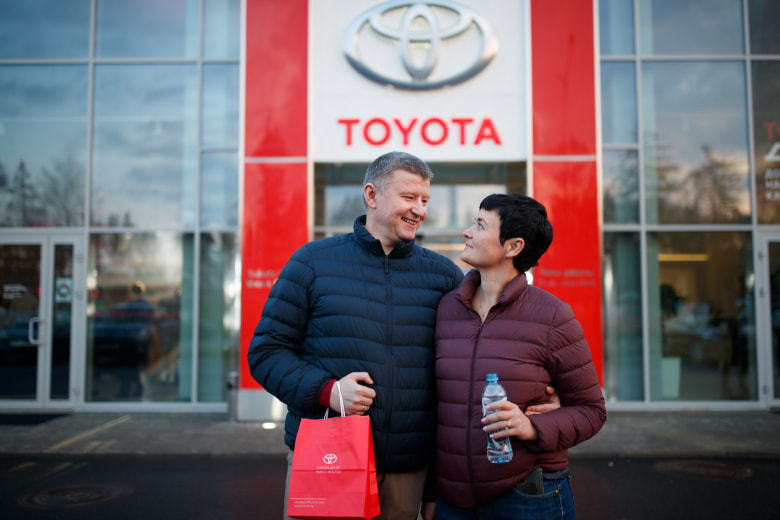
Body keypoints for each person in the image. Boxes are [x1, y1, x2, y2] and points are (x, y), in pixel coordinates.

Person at [247, 151, 466, 520]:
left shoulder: (443, 276)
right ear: (371, 195)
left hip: (408, 470)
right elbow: (266, 353)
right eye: (409, 197)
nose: (419, 210)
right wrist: (327, 391)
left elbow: (465, 365)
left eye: (425, 200)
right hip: (328, 459)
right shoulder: (312, 263)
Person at [427, 194, 606, 520]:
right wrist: (432, 492)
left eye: (480, 225)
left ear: (513, 247)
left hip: (527, 496)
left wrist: (532, 426)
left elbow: (591, 411)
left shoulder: (553, 316)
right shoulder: (447, 308)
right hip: (452, 500)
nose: (467, 232)